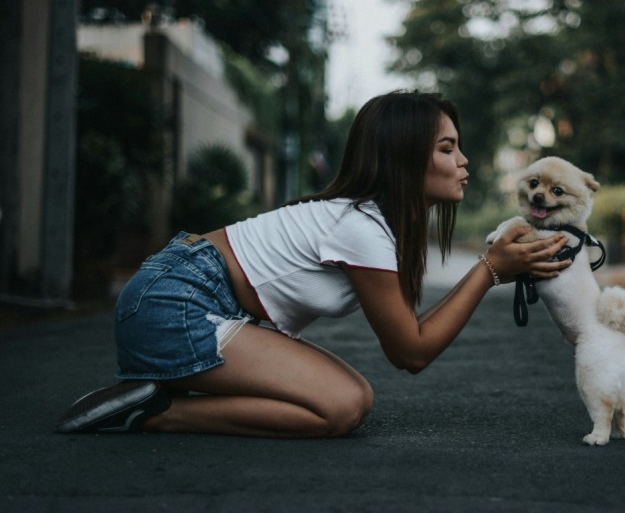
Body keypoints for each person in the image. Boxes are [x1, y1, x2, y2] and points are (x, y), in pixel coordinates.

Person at [55, 91, 570, 438]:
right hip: (174, 304)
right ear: (405, 157)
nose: (464, 162)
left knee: (349, 401)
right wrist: (489, 269)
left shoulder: (374, 226)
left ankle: (157, 396)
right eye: (446, 147)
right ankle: (156, 412)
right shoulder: (361, 227)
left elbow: (408, 336)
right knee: (342, 404)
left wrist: (503, 263)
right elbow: (410, 353)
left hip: (186, 299)